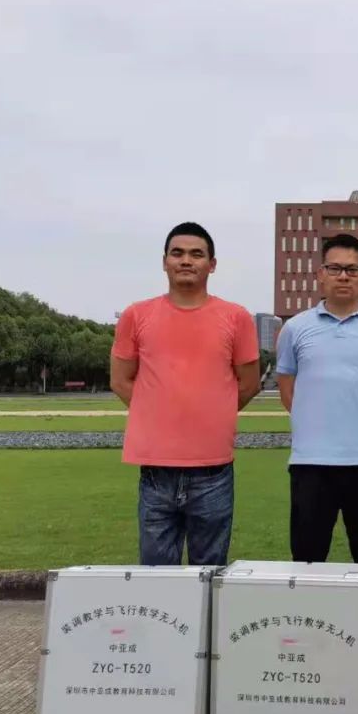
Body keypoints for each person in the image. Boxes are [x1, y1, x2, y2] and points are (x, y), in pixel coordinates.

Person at [110, 222, 260, 566]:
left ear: (212, 264)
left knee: (210, 571)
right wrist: (159, 414)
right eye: (177, 253)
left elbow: (248, 383)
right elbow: (120, 380)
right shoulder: (136, 315)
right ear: (164, 261)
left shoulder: (236, 317)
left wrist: (211, 413)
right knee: (156, 572)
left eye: (196, 254)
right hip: (156, 468)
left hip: (213, 469)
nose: (186, 261)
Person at [275, 233, 358, 567]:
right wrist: (313, 425)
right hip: (310, 462)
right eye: (335, 268)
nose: (344, 276)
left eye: (352, 269)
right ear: (320, 274)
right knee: (307, 561)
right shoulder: (296, 328)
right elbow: (287, 387)